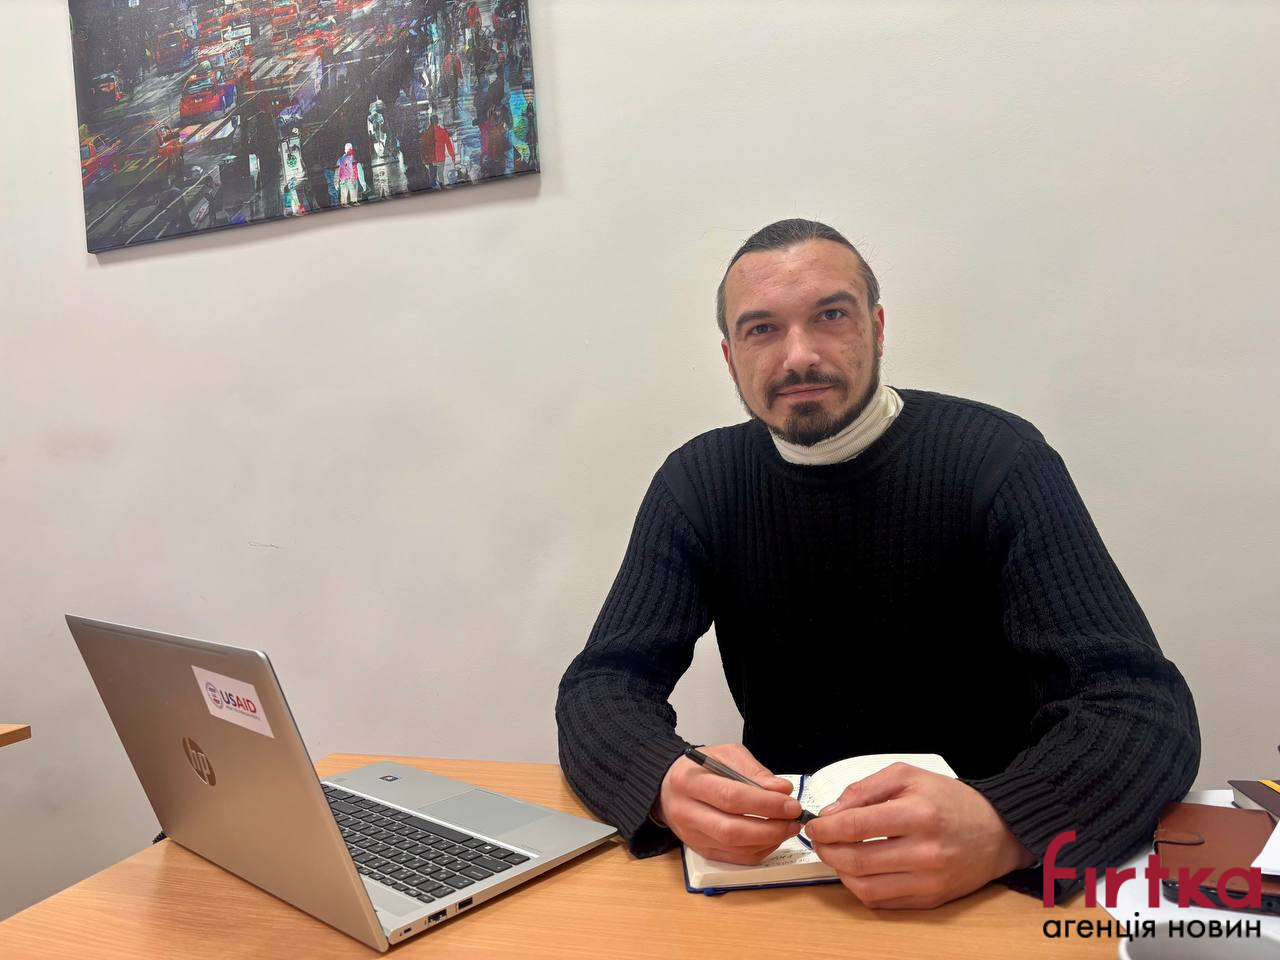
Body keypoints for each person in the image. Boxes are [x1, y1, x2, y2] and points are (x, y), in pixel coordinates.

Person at [555, 218, 1200, 909]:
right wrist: (664, 780)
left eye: (830, 315)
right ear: (730, 357)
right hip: (784, 877)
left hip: (981, 888)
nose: (799, 356)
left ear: (878, 328)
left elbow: (1142, 707)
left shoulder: (1000, 460)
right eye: (762, 329)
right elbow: (601, 686)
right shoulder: (698, 483)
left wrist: (1006, 824)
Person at [420, 115, 456, 188]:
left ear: (430, 122)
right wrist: (452, 155)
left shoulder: (427, 133)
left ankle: (434, 188)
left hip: (432, 158)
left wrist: (424, 158)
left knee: (433, 175)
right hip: (440, 157)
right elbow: (449, 145)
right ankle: (442, 187)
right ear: (437, 121)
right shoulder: (442, 131)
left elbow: (423, 146)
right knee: (440, 173)